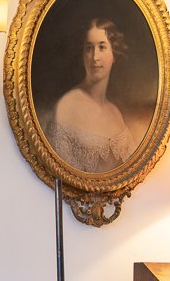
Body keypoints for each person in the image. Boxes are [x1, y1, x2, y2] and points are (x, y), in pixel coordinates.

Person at [43, 16, 151, 173]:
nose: (94, 57)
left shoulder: (115, 113)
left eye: (102, 47)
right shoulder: (67, 105)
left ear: (114, 53)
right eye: (89, 48)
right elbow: (63, 174)